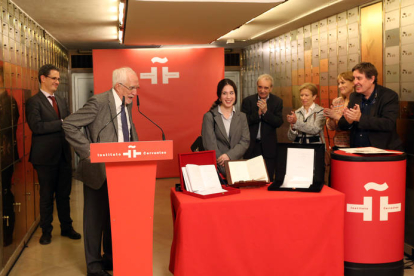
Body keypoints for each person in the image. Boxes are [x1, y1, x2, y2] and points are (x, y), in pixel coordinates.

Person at [63, 67, 139, 276]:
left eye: (136, 87)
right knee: (95, 220)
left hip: (122, 171)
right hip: (98, 172)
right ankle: (94, 267)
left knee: (114, 218)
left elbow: (127, 130)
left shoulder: (127, 103)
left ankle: (110, 259)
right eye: (132, 87)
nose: (135, 92)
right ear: (118, 86)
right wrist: (89, 152)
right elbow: (69, 124)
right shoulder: (98, 102)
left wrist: (138, 151)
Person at [25, 64, 81, 245]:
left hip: (64, 155)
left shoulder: (62, 101)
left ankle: (67, 228)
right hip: (45, 158)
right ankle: (46, 232)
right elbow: (37, 127)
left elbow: (69, 122)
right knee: (47, 196)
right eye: (54, 78)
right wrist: (62, 122)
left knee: (64, 196)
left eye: (58, 79)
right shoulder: (34, 101)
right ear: (43, 78)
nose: (57, 82)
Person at [338, 62, 403, 150]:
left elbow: (388, 123)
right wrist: (348, 121)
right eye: (354, 78)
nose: (355, 82)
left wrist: (360, 118)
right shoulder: (354, 96)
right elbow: (342, 124)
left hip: (382, 152)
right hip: (357, 151)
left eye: (359, 78)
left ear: (372, 79)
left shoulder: (388, 96)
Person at [202, 78, 250, 176]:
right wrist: (223, 162)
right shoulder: (209, 116)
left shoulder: (242, 116)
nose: (228, 97)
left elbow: (245, 141)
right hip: (217, 170)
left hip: (238, 168)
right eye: (224, 93)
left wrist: (229, 156)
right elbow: (209, 144)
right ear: (219, 96)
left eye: (231, 93)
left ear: (235, 95)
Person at [241, 74, 283, 182]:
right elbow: (242, 122)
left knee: (267, 179)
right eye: (260, 87)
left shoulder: (277, 101)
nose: (262, 90)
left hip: (269, 148)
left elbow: (278, 122)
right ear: (256, 86)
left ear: (271, 88)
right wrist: (258, 114)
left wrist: (265, 112)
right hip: (251, 147)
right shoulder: (248, 101)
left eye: (266, 88)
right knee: (250, 179)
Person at [323, 72, 354, 149]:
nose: (340, 86)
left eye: (343, 83)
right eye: (339, 83)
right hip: (338, 145)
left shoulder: (359, 101)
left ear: (353, 83)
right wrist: (331, 118)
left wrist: (336, 116)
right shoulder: (337, 101)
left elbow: (355, 125)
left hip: (354, 145)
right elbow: (332, 128)